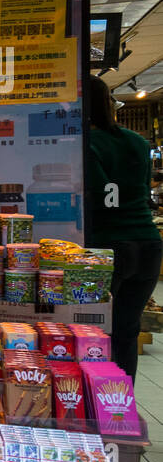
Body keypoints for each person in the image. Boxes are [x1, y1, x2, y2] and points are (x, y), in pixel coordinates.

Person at [85, 76, 162, 380]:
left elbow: (104, 195)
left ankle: (98, 403)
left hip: (109, 246)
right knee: (127, 333)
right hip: (148, 243)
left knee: (94, 334)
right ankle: (122, 404)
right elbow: (143, 193)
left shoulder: (86, 145)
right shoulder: (138, 142)